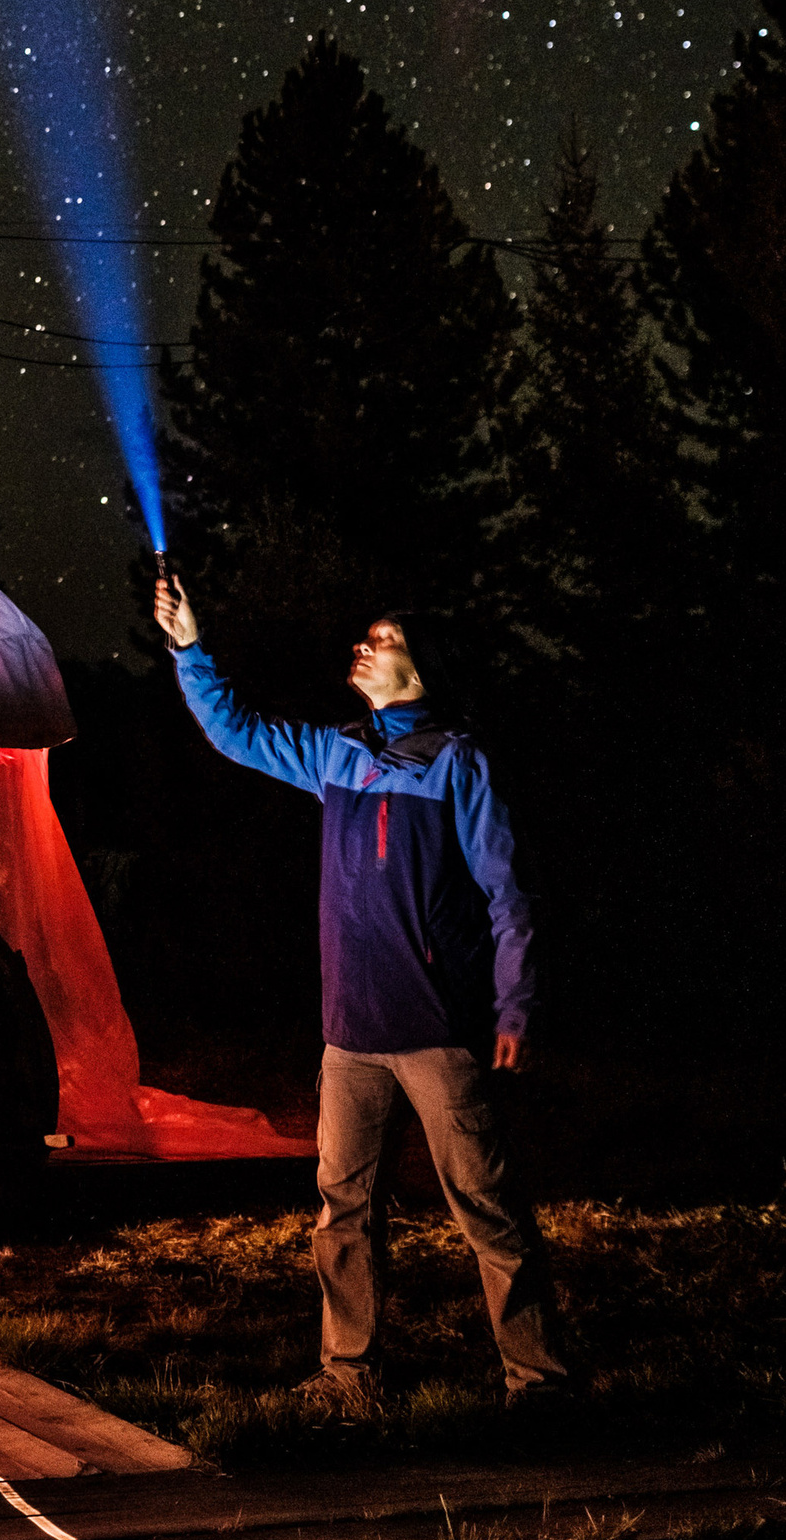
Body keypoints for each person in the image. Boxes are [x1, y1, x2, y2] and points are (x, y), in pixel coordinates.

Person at [151, 568, 570, 1411]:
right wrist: (190, 645)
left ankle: (539, 1380)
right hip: (351, 1032)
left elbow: (508, 894)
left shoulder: (457, 762)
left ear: (418, 670)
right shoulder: (338, 752)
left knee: (486, 1206)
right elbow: (236, 731)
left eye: (380, 642)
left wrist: (514, 1004)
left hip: (438, 1028)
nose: (363, 648)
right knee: (341, 1210)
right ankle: (349, 1375)